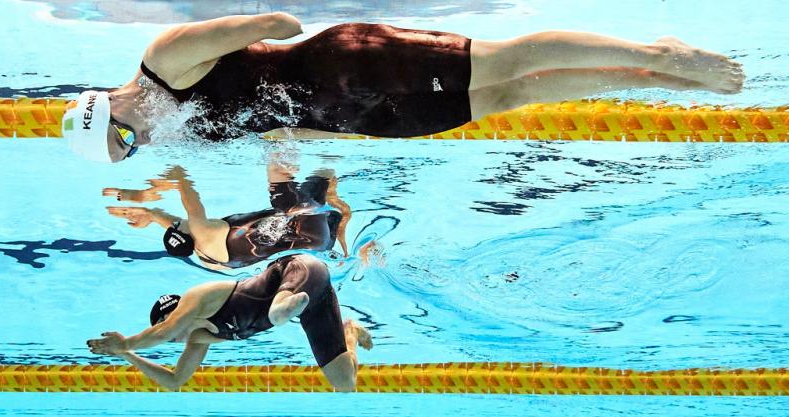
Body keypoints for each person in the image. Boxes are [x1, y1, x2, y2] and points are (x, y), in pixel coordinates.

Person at [60, 14, 744, 162]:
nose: (142, 137)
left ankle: (660, 53)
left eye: (125, 133)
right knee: (506, 97)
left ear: (106, 105)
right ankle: (645, 75)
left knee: (505, 61)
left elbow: (274, 23)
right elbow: (275, 128)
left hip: (353, 66)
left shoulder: (162, 61)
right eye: (132, 149)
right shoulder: (178, 127)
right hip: (359, 116)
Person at [86, 254, 372, 392]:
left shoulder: (197, 299)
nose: (174, 340)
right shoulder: (200, 337)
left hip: (298, 270)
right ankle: (350, 330)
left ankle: (289, 305)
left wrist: (126, 341)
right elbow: (174, 381)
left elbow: (166, 331)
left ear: (173, 314)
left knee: (277, 315)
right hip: (316, 299)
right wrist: (127, 354)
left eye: (169, 328)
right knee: (345, 383)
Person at [104, 164, 351, 270]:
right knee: (280, 168)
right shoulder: (201, 229)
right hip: (300, 217)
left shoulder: (206, 256)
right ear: (190, 231)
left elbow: (180, 229)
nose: (180, 222)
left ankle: (337, 214)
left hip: (319, 242)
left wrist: (154, 216)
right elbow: (180, 177)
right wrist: (144, 195)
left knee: (296, 211)